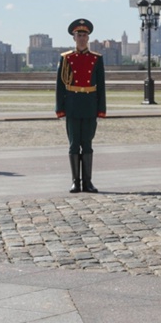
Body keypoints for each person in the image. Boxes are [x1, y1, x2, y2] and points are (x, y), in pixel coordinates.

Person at [56, 19, 106, 193]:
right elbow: (60, 85)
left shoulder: (96, 59)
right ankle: (75, 182)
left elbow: (101, 85)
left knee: (87, 144)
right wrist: (59, 108)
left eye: (85, 35)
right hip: (72, 105)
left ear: (88, 37)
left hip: (90, 105)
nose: (82, 38)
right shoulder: (66, 58)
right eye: (79, 35)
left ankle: (88, 182)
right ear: (74, 37)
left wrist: (101, 109)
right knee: (73, 144)